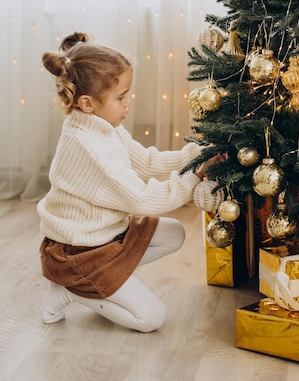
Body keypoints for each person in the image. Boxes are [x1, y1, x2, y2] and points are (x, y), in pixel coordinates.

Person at [37, 31, 216, 332]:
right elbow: (145, 200)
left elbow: (146, 162)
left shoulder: (102, 126)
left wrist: (197, 156)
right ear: (87, 102)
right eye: (121, 97)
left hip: (103, 237)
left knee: (174, 234)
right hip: (78, 254)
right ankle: (73, 289)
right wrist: (194, 178)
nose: (128, 103)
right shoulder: (89, 147)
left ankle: (103, 283)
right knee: (151, 318)